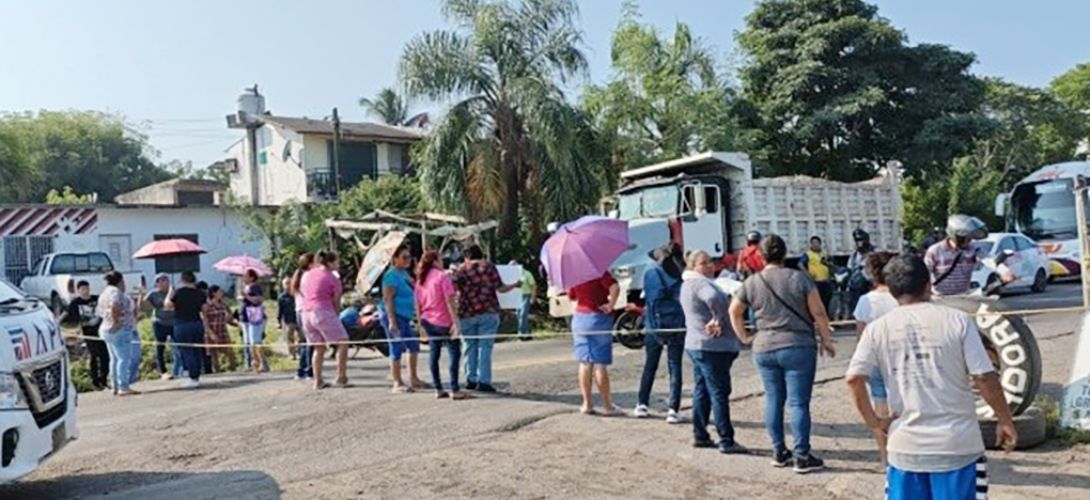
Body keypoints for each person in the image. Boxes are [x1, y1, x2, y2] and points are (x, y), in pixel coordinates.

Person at [846, 254, 1017, 499]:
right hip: (958, 448)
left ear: (892, 291)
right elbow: (984, 377)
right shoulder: (958, 320)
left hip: (904, 449)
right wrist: (1005, 419)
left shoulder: (877, 329)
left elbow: (853, 379)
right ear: (928, 284)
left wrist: (874, 422)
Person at [729, 234, 836, 474]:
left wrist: (745, 337)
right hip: (798, 345)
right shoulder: (800, 279)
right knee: (798, 403)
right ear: (785, 253)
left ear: (761, 255)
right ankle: (802, 455)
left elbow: (734, 311)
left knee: (773, 400)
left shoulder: (752, 282)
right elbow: (818, 313)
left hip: (764, 346)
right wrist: (826, 340)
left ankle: (779, 451)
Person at [681, 250, 747, 453]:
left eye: (710, 261)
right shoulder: (700, 283)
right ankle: (726, 439)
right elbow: (712, 298)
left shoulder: (688, 283)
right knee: (719, 392)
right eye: (703, 263)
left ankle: (700, 434)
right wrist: (719, 317)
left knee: (702, 390)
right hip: (712, 346)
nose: (709, 265)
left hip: (697, 344)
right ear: (693, 266)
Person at [851, 251, 898, 467]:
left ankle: (884, 455)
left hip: (877, 358)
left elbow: (862, 336)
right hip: (900, 357)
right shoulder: (901, 297)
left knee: (880, 404)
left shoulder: (865, 301)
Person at [452, 244, 519, 393]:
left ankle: (471, 379)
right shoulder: (489, 267)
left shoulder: (461, 269)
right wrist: (515, 285)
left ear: (466, 256)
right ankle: (484, 381)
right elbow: (500, 288)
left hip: (466, 312)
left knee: (469, 346)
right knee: (485, 347)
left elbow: (452, 289)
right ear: (481, 255)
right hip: (488, 311)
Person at [634, 243, 686, 423]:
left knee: (650, 365)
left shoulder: (650, 272)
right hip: (676, 323)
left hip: (653, 324)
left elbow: (648, 298)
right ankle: (673, 409)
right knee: (675, 367)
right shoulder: (679, 272)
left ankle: (642, 404)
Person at [568, 271, 621, 416]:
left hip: (580, 318)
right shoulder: (599, 271)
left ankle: (587, 403)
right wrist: (611, 304)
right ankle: (607, 405)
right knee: (599, 364)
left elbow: (572, 296)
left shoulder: (574, 274)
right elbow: (615, 287)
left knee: (584, 362)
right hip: (598, 317)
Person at [416, 250, 466, 400]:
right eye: (440, 259)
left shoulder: (421, 280)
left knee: (434, 354)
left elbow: (417, 305)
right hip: (444, 320)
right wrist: (456, 322)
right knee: (454, 353)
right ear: (435, 261)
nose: (443, 261)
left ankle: (438, 388)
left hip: (428, 320)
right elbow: (449, 302)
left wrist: (420, 325)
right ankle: (454, 389)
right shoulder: (442, 277)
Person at [300, 250, 350, 389]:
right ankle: (341, 376)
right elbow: (336, 299)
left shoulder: (308, 274)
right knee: (343, 341)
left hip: (306, 313)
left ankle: (318, 380)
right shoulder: (333, 277)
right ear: (330, 263)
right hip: (323, 311)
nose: (338, 264)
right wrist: (336, 314)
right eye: (337, 262)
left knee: (319, 347)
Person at [380, 244, 424, 393]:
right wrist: (392, 320)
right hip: (394, 315)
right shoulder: (391, 276)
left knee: (413, 345)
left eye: (409, 257)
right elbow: (388, 299)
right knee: (396, 347)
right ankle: (397, 382)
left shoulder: (404, 273)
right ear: (395, 258)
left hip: (405, 316)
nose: (408, 260)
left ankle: (413, 377)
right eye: (404, 257)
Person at [96, 271, 140, 396]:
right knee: (123, 358)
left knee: (114, 358)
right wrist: (116, 322)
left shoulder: (105, 293)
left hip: (105, 328)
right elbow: (115, 305)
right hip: (119, 329)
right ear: (120, 281)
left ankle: (114, 385)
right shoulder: (116, 292)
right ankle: (123, 386)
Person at [925, 214, 988, 296]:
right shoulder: (935, 251)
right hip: (940, 298)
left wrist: (1002, 270)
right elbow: (925, 275)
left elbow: (988, 260)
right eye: (966, 238)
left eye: (970, 237)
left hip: (962, 297)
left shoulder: (973, 249)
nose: (969, 240)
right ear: (956, 236)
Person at [165, 271, 207, 389]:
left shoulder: (178, 292)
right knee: (197, 350)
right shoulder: (200, 293)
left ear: (182, 280)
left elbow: (167, 305)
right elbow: (205, 309)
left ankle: (191, 376)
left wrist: (170, 292)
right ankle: (196, 375)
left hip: (182, 324)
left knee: (186, 350)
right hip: (197, 323)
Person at [65, 280, 107, 389]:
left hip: (100, 330)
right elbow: (71, 319)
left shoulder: (96, 299)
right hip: (87, 332)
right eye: (83, 289)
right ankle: (95, 381)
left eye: (87, 288)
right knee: (94, 355)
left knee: (105, 355)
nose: (85, 291)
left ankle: (104, 379)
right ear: (78, 291)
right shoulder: (75, 303)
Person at [143, 274, 182, 380]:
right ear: (157, 283)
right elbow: (144, 306)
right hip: (159, 322)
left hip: (174, 322)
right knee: (160, 347)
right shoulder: (153, 294)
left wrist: (171, 292)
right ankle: (163, 371)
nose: (165, 282)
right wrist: (142, 294)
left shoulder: (175, 292)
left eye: (166, 280)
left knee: (179, 346)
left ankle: (179, 369)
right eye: (162, 280)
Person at [289, 253, 315, 380]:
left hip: (299, 310)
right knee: (311, 342)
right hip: (306, 311)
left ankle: (302, 369)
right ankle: (308, 370)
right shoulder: (307, 276)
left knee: (306, 341)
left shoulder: (299, 276)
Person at [203, 285, 239, 372]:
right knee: (214, 356)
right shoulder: (207, 305)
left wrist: (236, 324)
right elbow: (204, 320)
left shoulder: (224, 304)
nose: (222, 293)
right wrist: (210, 333)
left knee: (230, 353)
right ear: (214, 293)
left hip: (222, 331)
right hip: (211, 332)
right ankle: (217, 373)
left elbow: (229, 317)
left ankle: (233, 371)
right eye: (219, 291)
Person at [239, 269, 268, 373]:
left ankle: (262, 363)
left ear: (251, 277)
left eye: (245, 276)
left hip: (254, 316)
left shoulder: (254, 287)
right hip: (245, 317)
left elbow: (259, 300)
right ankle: (254, 363)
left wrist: (246, 296)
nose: (243, 278)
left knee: (255, 341)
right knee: (248, 342)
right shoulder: (245, 287)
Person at [797, 235, 833, 313]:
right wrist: (808, 274)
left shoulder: (824, 254)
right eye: (813, 243)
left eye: (817, 243)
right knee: (817, 301)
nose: (815, 245)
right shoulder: (808, 254)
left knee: (826, 300)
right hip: (816, 281)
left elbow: (830, 265)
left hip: (825, 281)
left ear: (820, 244)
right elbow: (800, 264)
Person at [847, 229, 876, 314]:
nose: (859, 243)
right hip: (857, 289)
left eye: (861, 240)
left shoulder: (874, 253)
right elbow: (850, 269)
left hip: (871, 287)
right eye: (857, 241)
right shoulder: (854, 255)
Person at [511, 260, 537, 340]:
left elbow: (534, 286)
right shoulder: (511, 276)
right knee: (519, 316)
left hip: (526, 296)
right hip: (517, 296)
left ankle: (521, 334)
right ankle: (528, 332)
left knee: (523, 315)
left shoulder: (526, 273)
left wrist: (533, 298)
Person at [277, 278, 301, 360]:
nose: (287, 285)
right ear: (283, 285)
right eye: (286, 284)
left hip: (299, 318)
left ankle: (299, 351)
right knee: (290, 338)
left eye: (289, 283)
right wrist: (279, 321)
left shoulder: (296, 294)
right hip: (288, 320)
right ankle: (292, 354)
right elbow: (280, 310)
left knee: (301, 337)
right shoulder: (282, 297)